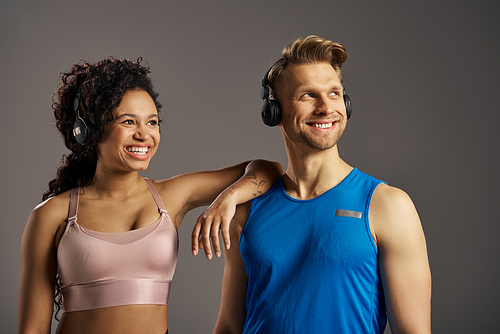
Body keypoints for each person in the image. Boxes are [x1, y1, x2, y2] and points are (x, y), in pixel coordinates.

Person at [17, 57, 283, 334]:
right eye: (128, 122)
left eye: (152, 122)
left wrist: (229, 198)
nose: (144, 134)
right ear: (88, 130)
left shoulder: (171, 196)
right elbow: (32, 330)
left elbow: (269, 170)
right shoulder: (52, 215)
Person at [211, 36, 432, 334]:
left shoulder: (388, 206)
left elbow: (414, 331)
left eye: (334, 93)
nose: (326, 107)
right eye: (307, 96)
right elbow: (228, 327)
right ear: (273, 112)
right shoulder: (246, 213)